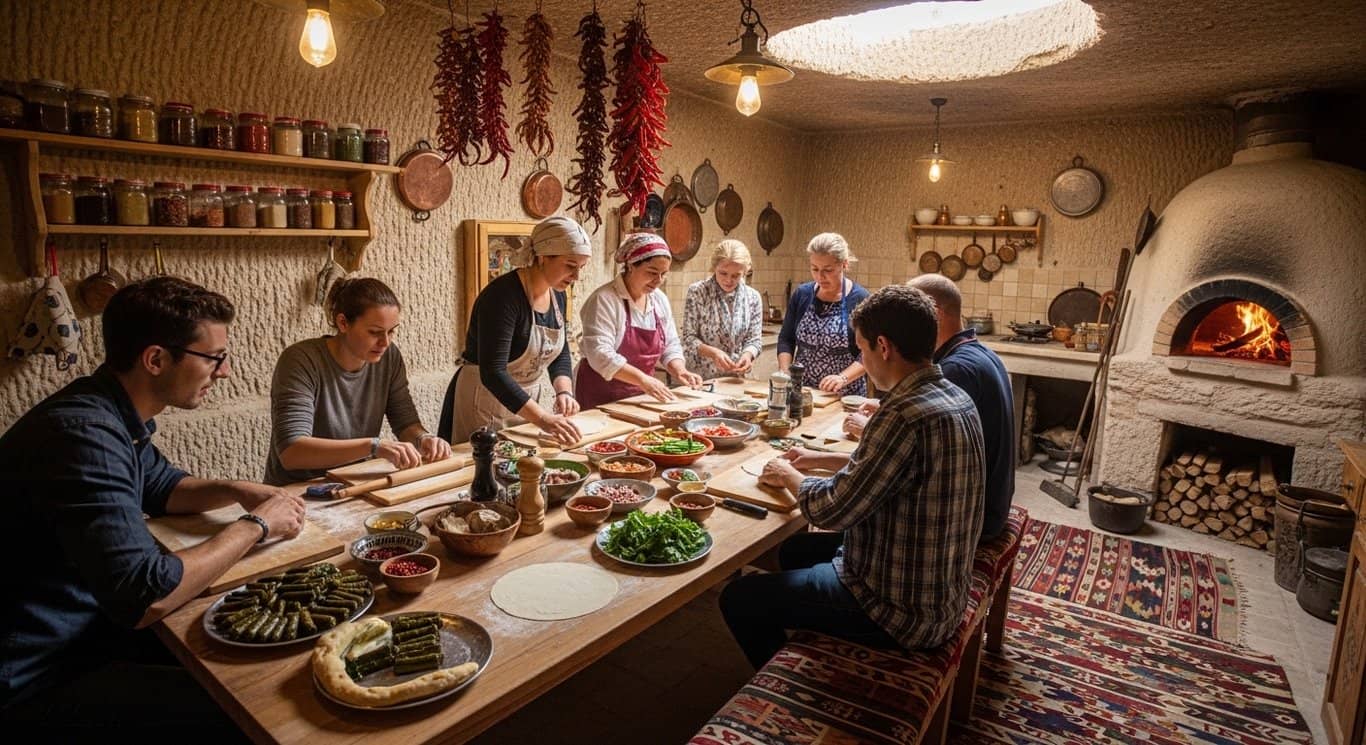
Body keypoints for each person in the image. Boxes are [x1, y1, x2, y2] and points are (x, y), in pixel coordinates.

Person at [0, 276, 306, 738]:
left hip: (89, 627)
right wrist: (255, 526)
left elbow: (162, 486)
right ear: (156, 359)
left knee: (254, 654)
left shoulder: (109, 409)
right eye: (214, 358)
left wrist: (237, 488)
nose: (224, 372)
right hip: (35, 673)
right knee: (252, 708)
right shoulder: (83, 436)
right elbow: (145, 595)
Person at [719, 284, 985, 669]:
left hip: (899, 611)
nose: (861, 357)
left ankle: (788, 680)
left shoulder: (901, 415)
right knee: (793, 551)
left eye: (861, 349)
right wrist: (817, 457)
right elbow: (889, 472)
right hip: (936, 587)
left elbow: (829, 511)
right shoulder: (952, 397)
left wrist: (788, 471)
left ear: (883, 346)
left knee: (739, 597)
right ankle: (811, 636)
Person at [842, 274, 1015, 540]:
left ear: (932, 312)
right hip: (990, 503)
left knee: (857, 517)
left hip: (974, 519)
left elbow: (922, 446)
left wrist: (870, 429)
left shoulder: (956, 369)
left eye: (910, 309)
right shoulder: (977, 353)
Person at [265, 277, 450, 486]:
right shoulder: (300, 360)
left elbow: (406, 422)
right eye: (374, 332)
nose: (385, 342)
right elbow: (292, 452)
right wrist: (373, 446)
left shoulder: (389, 357)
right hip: (297, 490)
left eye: (392, 331)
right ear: (343, 323)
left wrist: (423, 439)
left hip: (352, 482)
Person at [440, 216, 591, 446]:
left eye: (581, 268)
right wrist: (543, 418)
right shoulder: (503, 296)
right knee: (484, 468)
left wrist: (564, 392)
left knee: (520, 465)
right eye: (570, 266)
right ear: (542, 257)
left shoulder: (558, 294)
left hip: (524, 402)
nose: (576, 277)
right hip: (484, 399)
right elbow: (493, 373)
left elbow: (559, 350)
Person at [576, 233, 703, 409]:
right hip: (599, 395)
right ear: (631, 266)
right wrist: (643, 379)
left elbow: (670, 344)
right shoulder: (604, 300)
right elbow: (600, 354)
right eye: (652, 272)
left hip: (640, 396)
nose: (658, 281)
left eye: (663, 274)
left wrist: (680, 370)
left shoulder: (659, 300)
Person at [777, 233, 871, 395]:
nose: (820, 277)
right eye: (815, 269)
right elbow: (786, 339)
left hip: (845, 393)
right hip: (803, 391)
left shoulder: (860, 298)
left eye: (828, 270)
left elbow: (870, 352)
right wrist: (785, 372)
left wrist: (842, 378)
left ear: (844, 265)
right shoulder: (802, 295)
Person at [681, 239, 764, 379]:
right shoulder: (698, 292)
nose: (729, 280)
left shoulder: (753, 297)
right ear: (714, 268)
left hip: (736, 378)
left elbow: (754, 339)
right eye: (723, 273)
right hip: (701, 377)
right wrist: (713, 353)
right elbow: (688, 338)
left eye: (736, 275)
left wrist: (747, 355)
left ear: (745, 272)